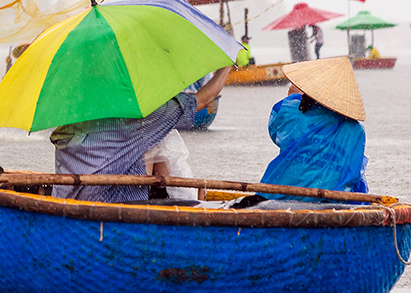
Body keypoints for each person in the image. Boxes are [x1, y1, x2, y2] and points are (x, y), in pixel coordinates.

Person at [51, 65, 232, 203]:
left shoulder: (72, 116)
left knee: (155, 144)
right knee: (158, 143)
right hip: (115, 208)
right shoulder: (138, 118)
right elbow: (205, 98)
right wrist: (227, 66)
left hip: (66, 204)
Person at [259, 56, 368, 198]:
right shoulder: (356, 131)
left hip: (284, 194)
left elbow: (277, 132)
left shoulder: (291, 110)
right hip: (334, 200)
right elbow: (353, 174)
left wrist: (293, 98)